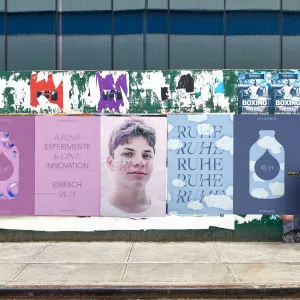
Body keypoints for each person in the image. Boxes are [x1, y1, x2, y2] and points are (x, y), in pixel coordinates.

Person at [105, 118, 156, 214]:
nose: (139, 162)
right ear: (110, 163)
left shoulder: (163, 210)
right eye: (128, 154)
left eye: (146, 155)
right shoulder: (97, 210)